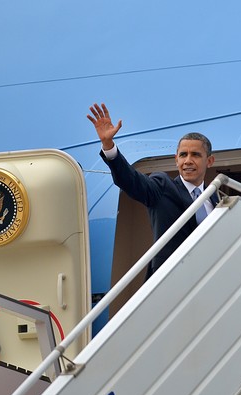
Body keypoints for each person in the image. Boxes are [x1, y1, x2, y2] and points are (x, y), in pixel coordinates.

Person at [87, 103, 218, 280]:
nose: (188, 161)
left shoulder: (216, 198)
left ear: (209, 161)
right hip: (170, 279)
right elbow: (131, 180)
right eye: (183, 155)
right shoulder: (162, 186)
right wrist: (109, 146)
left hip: (209, 279)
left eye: (195, 155)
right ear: (176, 160)